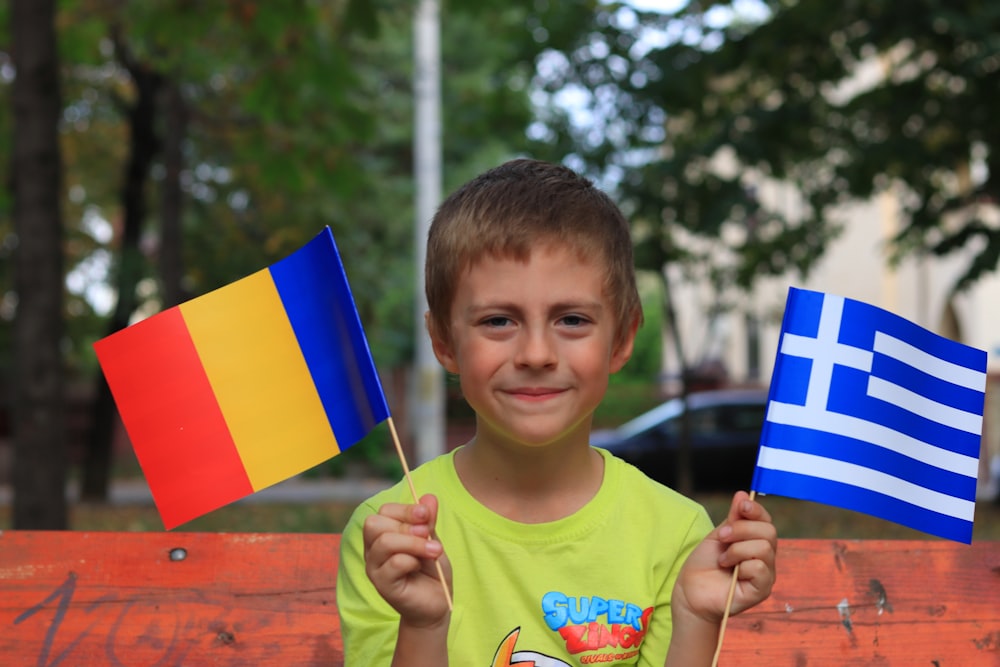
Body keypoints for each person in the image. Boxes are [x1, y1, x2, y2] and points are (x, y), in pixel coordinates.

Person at [337, 158, 777, 666]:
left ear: (623, 338)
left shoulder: (677, 534)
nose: (537, 354)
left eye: (571, 319)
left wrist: (697, 619)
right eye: (499, 320)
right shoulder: (391, 537)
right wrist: (424, 624)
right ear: (443, 341)